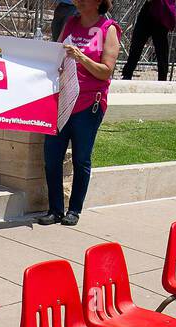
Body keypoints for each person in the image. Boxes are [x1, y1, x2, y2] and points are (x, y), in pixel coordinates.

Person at [39, 0, 119, 227]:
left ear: (99, 2)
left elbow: (106, 72)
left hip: (88, 104)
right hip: (62, 99)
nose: (79, 2)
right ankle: (55, 209)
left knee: (81, 158)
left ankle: (74, 210)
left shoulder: (108, 28)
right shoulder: (70, 23)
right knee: (51, 158)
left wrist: (81, 57)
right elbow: (55, 56)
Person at [122, 0, 176, 81]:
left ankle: (162, 78)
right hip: (149, 9)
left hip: (161, 12)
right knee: (136, 44)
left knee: (161, 49)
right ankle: (127, 74)